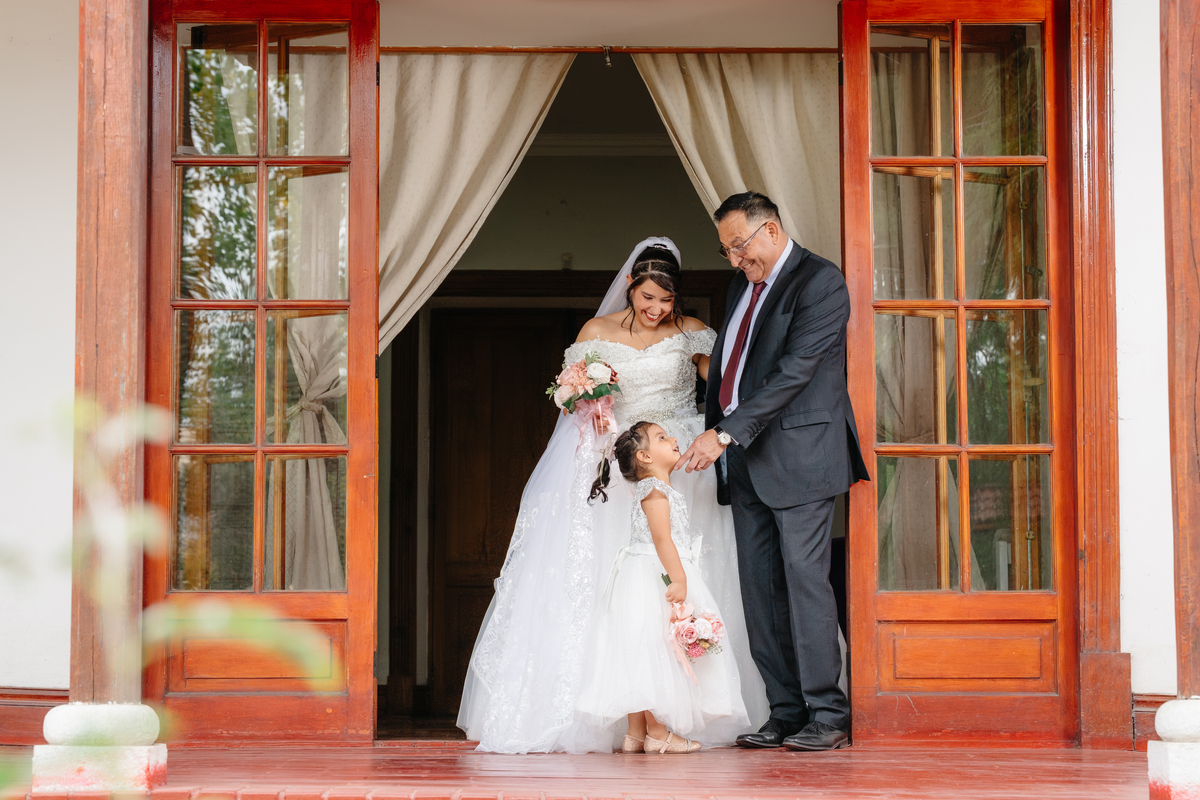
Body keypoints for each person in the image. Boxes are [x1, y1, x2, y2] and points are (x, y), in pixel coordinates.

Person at [457, 237, 769, 753]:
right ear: (630, 285)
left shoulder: (691, 332)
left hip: (679, 458)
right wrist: (590, 406)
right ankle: (625, 717)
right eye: (647, 298)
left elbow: (725, 390)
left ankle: (694, 707)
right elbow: (572, 405)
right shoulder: (596, 333)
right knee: (615, 578)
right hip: (617, 457)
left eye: (666, 300)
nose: (656, 309)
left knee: (691, 567)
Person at [677, 192, 870, 752]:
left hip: (801, 456)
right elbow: (734, 365)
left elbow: (794, 372)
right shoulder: (742, 284)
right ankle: (785, 712)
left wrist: (723, 433)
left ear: (771, 230)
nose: (736, 260)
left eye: (740, 246)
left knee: (805, 584)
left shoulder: (821, 282)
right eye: (727, 251)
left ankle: (827, 713)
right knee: (759, 591)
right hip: (745, 459)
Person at [575, 422, 750, 753]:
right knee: (655, 651)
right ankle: (657, 733)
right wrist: (679, 578)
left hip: (648, 572)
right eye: (661, 437)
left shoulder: (655, 488)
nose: (672, 439)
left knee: (640, 650)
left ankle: (635, 733)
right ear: (644, 456)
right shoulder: (655, 490)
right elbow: (661, 539)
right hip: (656, 574)